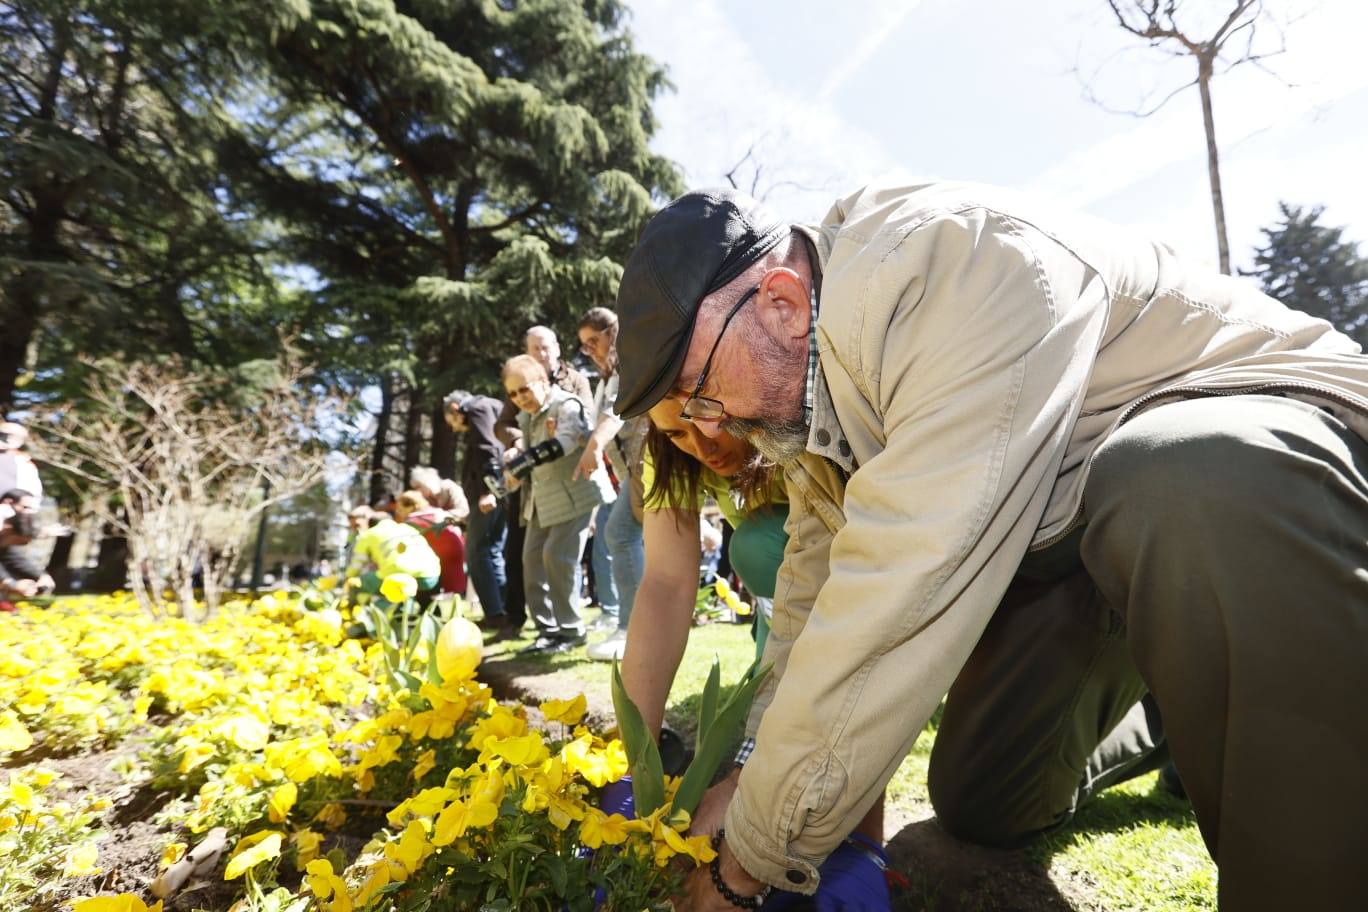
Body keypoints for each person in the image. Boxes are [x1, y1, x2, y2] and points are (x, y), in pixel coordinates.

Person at [613, 185, 1368, 910]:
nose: (710, 428)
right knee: (982, 801)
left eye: (704, 392)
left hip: (1269, 459)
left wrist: (745, 864)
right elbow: (813, 600)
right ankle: (1183, 702)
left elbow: (890, 602)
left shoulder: (950, 267)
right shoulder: (813, 402)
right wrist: (749, 768)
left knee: (1178, 473)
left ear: (781, 302)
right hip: (1084, 545)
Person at [501, 354, 614, 653]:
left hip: (575, 494)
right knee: (532, 560)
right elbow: (528, 452)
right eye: (512, 393)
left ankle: (571, 630)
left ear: (541, 381)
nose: (519, 398)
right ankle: (547, 631)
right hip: (542, 500)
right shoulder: (527, 417)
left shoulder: (567, 405)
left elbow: (565, 442)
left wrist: (524, 460)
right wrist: (515, 458)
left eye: (524, 389)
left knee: (557, 557)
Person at [576, 307, 650, 661]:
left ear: (612, 332)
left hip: (646, 460)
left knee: (620, 534)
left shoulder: (627, 364)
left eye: (594, 341)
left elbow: (616, 412)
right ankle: (634, 626)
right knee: (633, 538)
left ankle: (632, 630)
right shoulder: (606, 375)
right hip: (630, 471)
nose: (591, 350)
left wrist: (594, 445)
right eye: (585, 347)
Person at [444, 389, 515, 636]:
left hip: (488, 493)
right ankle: (503, 610)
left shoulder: (477, 409)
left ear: (454, 409)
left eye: (451, 421)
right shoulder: (493, 406)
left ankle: (495, 614)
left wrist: (488, 489)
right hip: (502, 490)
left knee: (475, 552)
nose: (454, 428)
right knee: (493, 551)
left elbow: (488, 448)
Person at [344, 506, 441, 599]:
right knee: (405, 591)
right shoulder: (407, 528)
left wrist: (348, 577)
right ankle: (407, 611)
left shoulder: (368, 534)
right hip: (431, 575)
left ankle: (359, 611)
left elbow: (357, 563)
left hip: (397, 574)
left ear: (370, 525)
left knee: (356, 584)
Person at [395, 490, 467, 596]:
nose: (399, 513)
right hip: (456, 546)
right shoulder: (438, 511)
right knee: (453, 588)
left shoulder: (411, 520)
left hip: (438, 552)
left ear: (412, 506)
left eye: (401, 509)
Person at [0, 504, 52, 600]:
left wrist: (41, 576)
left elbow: (11, 557)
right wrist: (11, 584)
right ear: (7, 528)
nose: (16, 545)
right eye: (18, 542)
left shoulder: (5, 540)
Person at [0, 423, 42, 502]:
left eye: (11, 437)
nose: (7, 439)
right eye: (2, 435)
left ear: (20, 441)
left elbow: (32, 492)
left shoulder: (24, 463)